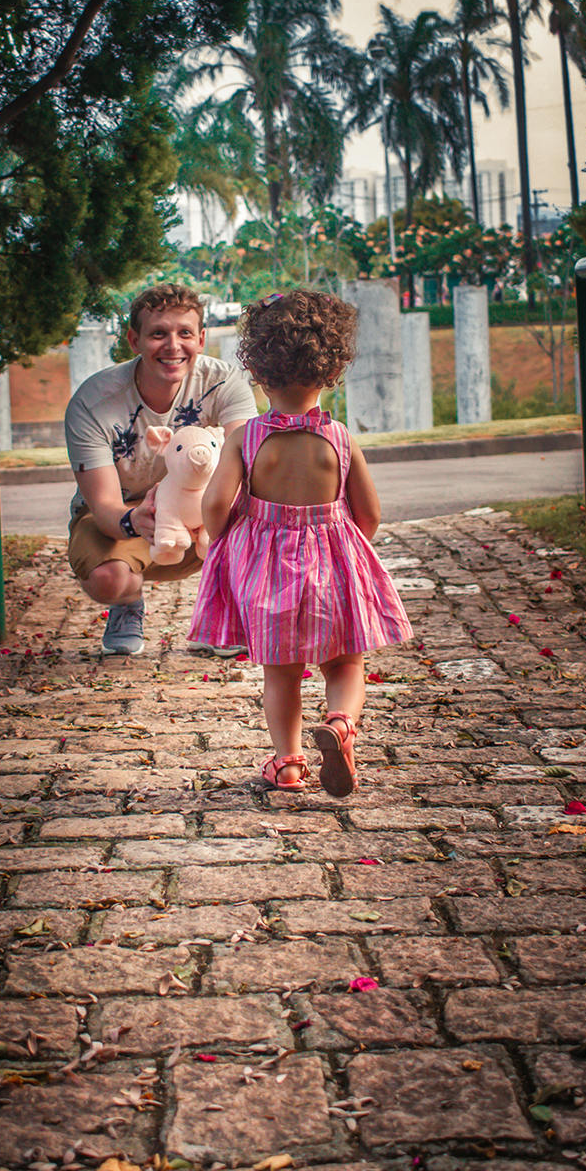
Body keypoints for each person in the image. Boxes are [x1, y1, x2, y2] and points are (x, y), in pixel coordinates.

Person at [189, 290, 412, 796]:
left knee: (282, 675)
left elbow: (215, 508)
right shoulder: (339, 437)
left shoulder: (244, 438)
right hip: (332, 566)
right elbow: (369, 514)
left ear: (258, 372)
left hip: (267, 575)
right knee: (346, 662)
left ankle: (288, 765)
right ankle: (340, 724)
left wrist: (227, 545)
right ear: (330, 370)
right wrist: (344, 550)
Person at [65, 285, 257, 655]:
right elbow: (104, 504)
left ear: (201, 339)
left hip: (204, 506)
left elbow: (245, 470)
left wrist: (214, 516)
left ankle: (221, 612)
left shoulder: (223, 381)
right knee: (109, 579)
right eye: (158, 334)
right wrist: (137, 519)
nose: (173, 346)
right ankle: (128, 603)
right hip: (129, 512)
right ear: (134, 340)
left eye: (184, 333)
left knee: (258, 507)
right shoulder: (93, 401)